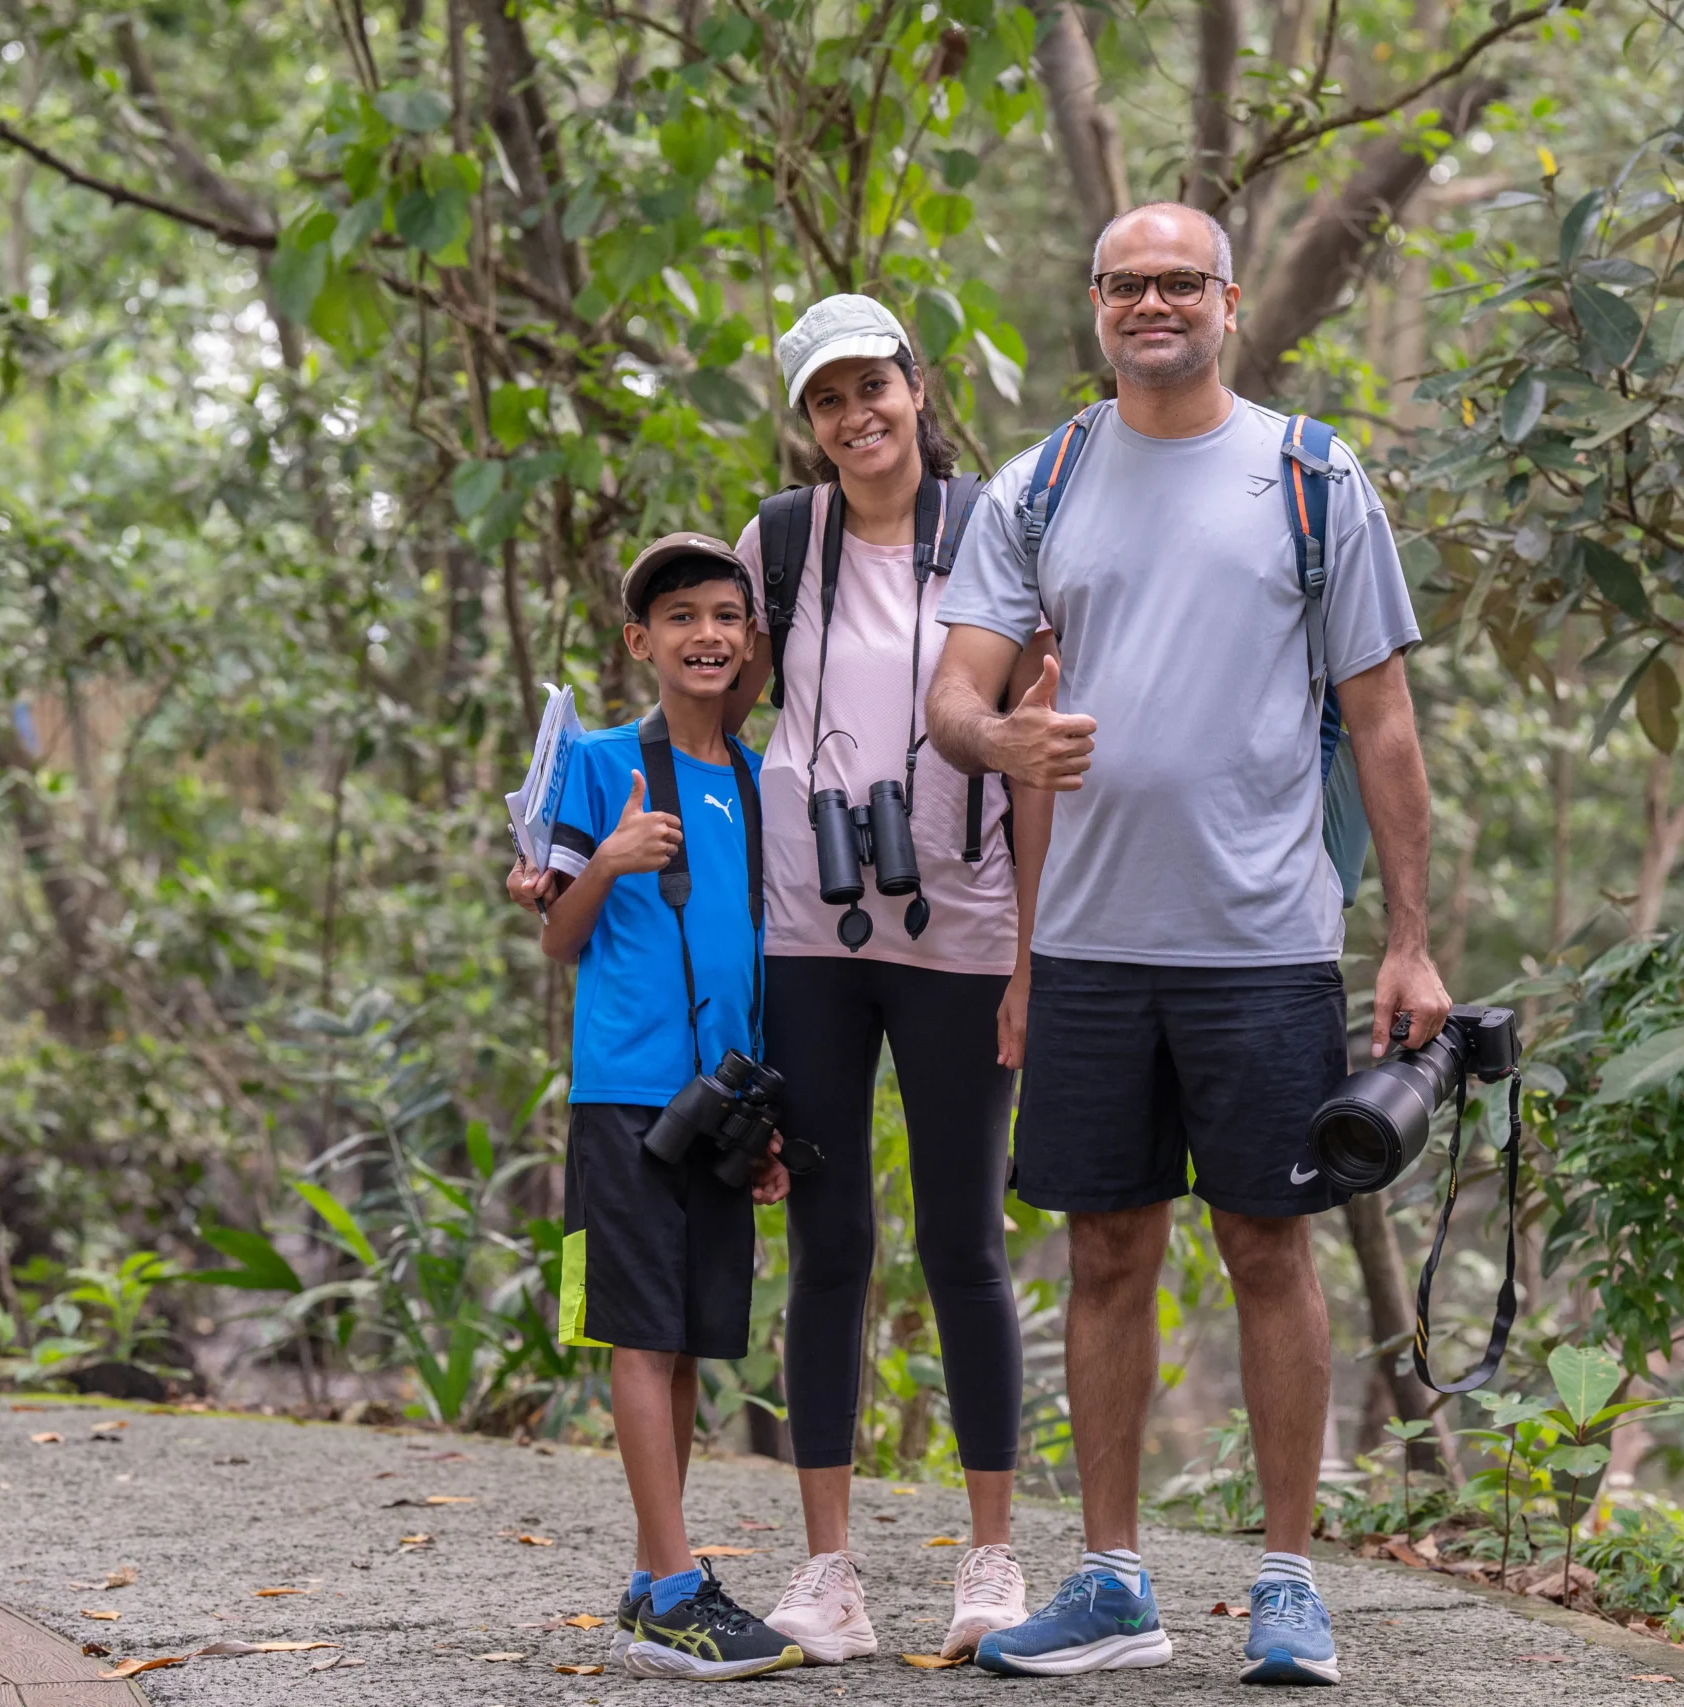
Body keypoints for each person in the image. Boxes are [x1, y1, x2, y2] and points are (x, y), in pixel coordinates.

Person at [926, 202, 1451, 1687]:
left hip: (1264, 939)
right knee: (1104, 1249)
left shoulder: (1311, 477)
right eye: (1125, 284)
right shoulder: (1042, 482)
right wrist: (1001, 736)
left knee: (1268, 1244)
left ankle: (1289, 1583)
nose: (1150, 304)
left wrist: (1409, 940)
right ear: (1095, 304)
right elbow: (954, 695)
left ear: (1227, 302)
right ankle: (1111, 1580)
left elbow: (1382, 719)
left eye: (1178, 282)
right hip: (1091, 942)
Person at [716, 293, 1054, 1664]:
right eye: (827, 398)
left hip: (962, 936)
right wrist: (577, 845)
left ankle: (992, 1560)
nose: (856, 416)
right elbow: (709, 708)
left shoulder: (993, 529)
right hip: (809, 937)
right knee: (829, 1243)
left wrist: (1031, 959)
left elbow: (1032, 748)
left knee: (966, 1242)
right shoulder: (780, 541)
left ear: (917, 386)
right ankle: (828, 1572)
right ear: (809, 422)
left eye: (874, 387)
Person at [531, 534, 805, 1681]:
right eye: (681, 616)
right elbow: (557, 938)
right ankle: (680, 1591)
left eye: (726, 617)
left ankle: (658, 1582)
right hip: (624, 1095)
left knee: (690, 1338)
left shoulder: (759, 778)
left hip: (721, 1106)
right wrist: (609, 861)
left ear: (748, 641)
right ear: (639, 641)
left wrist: (765, 1122)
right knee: (639, 1335)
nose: (707, 635)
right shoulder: (599, 764)